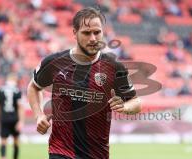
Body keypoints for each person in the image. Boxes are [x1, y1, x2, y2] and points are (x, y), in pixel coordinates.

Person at [27, 7, 141, 159]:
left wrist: (125, 107)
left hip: (97, 153)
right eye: (87, 33)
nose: (93, 38)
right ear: (74, 33)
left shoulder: (113, 66)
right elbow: (34, 87)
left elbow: (136, 103)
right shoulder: (55, 62)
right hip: (61, 151)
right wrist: (38, 115)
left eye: (97, 32)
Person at [0, 73, 24, 159]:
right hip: (15, 119)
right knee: (16, 141)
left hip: (4, 118)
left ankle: (3, 157)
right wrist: (21, 121)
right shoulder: (17, 91)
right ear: (14, 80)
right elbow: (20, 107)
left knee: (3, 141)